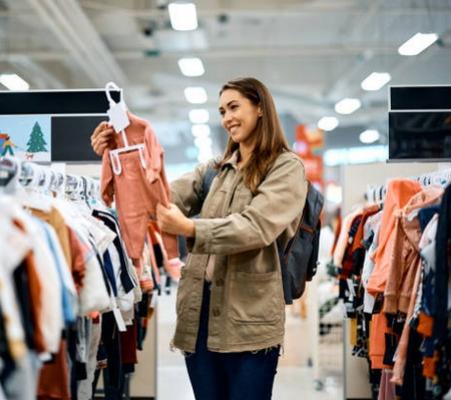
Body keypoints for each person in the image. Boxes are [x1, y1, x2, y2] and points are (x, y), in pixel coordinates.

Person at [90, 77, 308, 400]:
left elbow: (256, 227)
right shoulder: (215, 169)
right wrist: (121, 152)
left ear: (260, 108)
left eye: (234, 107)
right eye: (222, 111)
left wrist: (192, 229)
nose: (227, 118)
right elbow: (157, 200)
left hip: (249, 322)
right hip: (199, 315)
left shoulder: (286, 167)